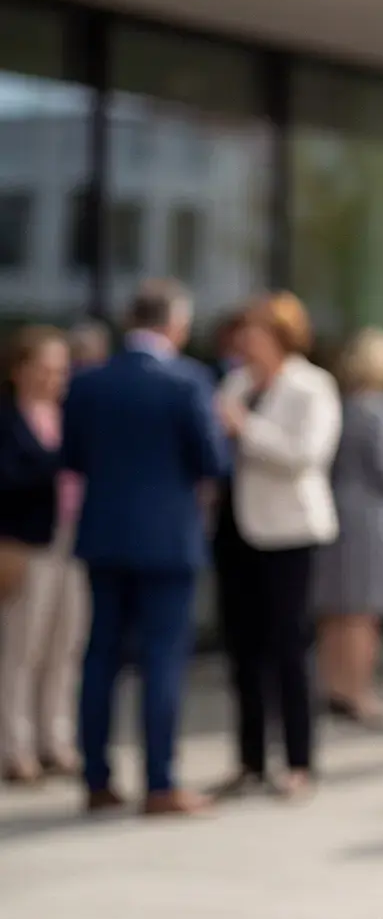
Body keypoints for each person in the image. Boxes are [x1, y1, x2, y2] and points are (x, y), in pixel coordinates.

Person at [64, 278, 229, 816]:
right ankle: (160, 782)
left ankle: (96, 778)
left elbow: (74, 456)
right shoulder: (187, 382)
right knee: (162, 660)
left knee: (100, 657)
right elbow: (212, 460)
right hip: (167, 540)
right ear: (175, 324)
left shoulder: (89, 383)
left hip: (104, 534)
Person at [210, 292, 343, 800]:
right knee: (244, 649)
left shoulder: (312, 386)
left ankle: (299, 761)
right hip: (238, 529)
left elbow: (306, 455)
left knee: (290, 647)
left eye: (257, 332)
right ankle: (249, 760)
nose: (247, 341)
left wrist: (246, 428)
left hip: (289, 532)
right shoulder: (237, 383)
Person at [312, 328, 383, 730]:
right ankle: (359, 692)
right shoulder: (379, 408)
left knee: (337, 609)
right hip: (371, 516)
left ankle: (334, 686)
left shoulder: (345, 403)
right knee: (362, 611)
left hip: (338, 509)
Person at [0, 326, 86, 785]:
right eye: (44, 369)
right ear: (19, 371)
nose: (54, 378)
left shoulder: (70, 415)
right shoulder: (8, 420)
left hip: (73, 539)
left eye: (60, 369)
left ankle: (57, 740)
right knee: (22, 647)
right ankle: (15, 747)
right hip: (26, 543)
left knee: (65, 644)